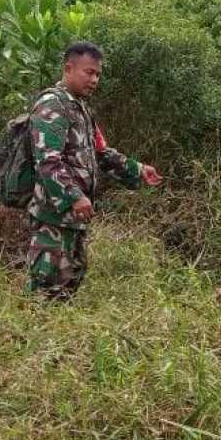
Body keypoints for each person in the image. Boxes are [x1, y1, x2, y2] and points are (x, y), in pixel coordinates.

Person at [26, 41, 162, 300]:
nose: (95, 79)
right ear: (68, 68)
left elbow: (100, 152)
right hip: (52, 217)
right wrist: (74, 196)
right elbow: (47, 161)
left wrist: (137, 169)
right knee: (45, 290)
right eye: (89, 72)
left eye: (98, 74)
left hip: (73, 220)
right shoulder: (52, 106)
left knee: (68, 285)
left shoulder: (81, 109)